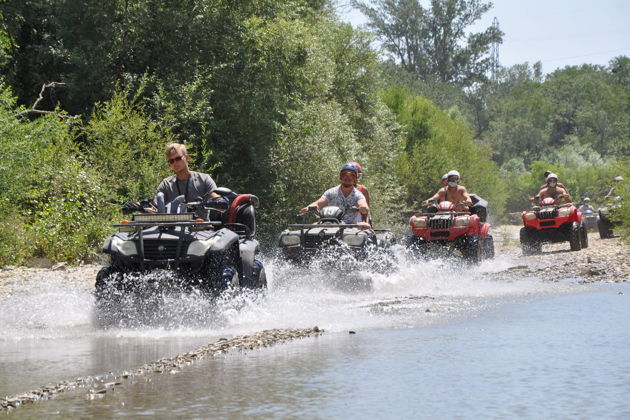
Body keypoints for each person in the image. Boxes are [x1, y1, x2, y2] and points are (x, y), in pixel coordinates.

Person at [301, 163, 370, 226]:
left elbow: (363, 203)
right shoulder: (331, 192)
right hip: (332, 224)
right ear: (340, 177)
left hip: (352, 227)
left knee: (363, 228)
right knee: (313, 226)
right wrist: (309, 207)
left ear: (355, 179)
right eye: (344, 174)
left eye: (352, 175)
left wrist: (363, 207)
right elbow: (319, 203)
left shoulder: (358, 194)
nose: (348, 177)